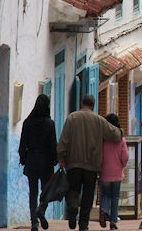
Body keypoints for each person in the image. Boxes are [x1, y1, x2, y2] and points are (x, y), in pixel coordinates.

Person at [57, 95, 122, 231]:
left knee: (73, 190)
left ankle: (73, 210)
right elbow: (115, 135)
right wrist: (120, 131)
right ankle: (83, 224)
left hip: (73, 163)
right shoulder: (98, 120)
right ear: (93, 105)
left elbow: (63, 141)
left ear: (82, 103)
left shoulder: (71, 118)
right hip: (91, 166)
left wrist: (61, 157)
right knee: (87, 195)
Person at [19, 94, 57, 231]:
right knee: (46, 191)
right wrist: (55, 160)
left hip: (32, 160)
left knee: (33, 192)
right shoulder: (50, 124)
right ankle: (41, 210)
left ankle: (34, 222)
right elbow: (53, 145)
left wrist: (23, 159)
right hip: (46, 162)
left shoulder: (27, 123)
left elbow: (22, 144)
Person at [99, 114, 128, 230]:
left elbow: (99, 155)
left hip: (105, 172)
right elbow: (125, 157)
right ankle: (113, 221)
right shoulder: (121, 139)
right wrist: (122, 165)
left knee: (105, 194)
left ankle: (104, 210)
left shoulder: (102, 139)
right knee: (115, 197)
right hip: (117, 173)